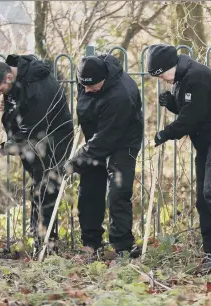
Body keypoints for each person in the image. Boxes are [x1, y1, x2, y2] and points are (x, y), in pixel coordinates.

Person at [146, 44, 211, 269]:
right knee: (203, 199)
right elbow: (194, 109)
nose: (162, 79)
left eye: (162, 74)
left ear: (170, 66)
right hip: (208, 142)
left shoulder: (197, 77)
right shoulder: (182, 78)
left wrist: (165, 133)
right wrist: (172, 103)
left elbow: (191, 118)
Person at [0, 55, 74, 256]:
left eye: (0, 90)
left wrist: (3, 149)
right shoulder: (19, 75)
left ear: (8, 77)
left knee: (46, 190)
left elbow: (30, 128)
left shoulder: (37, 87)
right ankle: (39, 241)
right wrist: (7, 103)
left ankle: (47, 246)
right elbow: (19, 111)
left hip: (54, 140)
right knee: (38, 189)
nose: (1, 93)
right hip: (37, 141)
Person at [65, 54, 143, 259]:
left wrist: (78, 160)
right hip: (95, 138)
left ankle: (123, 247)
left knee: (118, 191)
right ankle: (91, 243)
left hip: (123, 140)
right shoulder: (86, 76)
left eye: (92, 87)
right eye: (84, 86)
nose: (87, 90)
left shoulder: (121, 95)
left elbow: (107, 139)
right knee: (89, 188)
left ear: (104, 79)